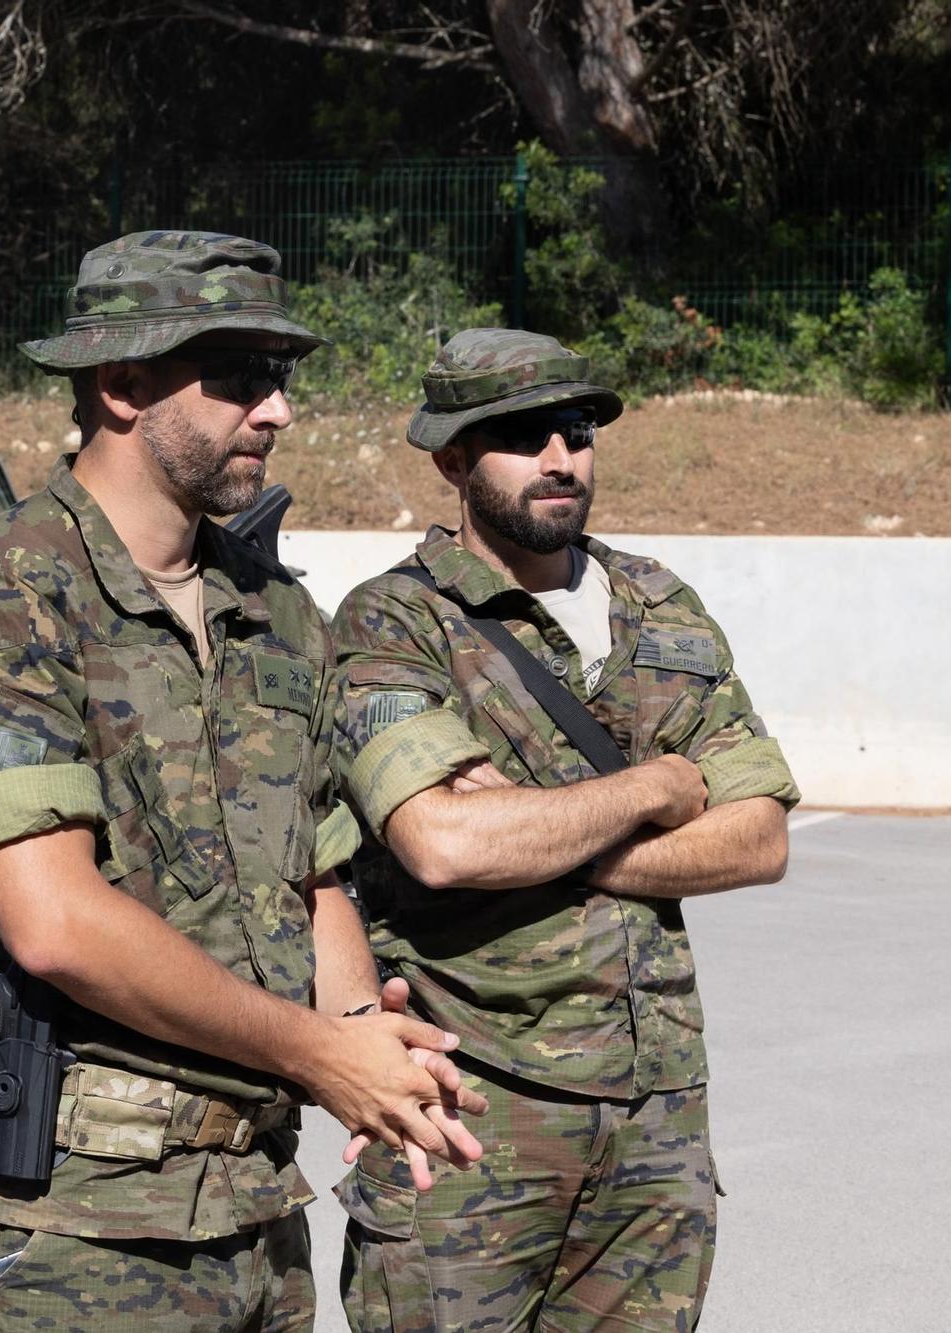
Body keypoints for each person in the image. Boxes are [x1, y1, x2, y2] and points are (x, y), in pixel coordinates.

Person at [0, 231, 487, 1333]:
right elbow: (54, 921)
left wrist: (365, 1036)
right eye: (237, 378)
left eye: (279, 378)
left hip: (254, 1219)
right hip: (70, 1238)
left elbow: (310, 876)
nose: (275, 412)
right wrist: (321, 1055)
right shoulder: (9, 595)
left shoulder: (272, 610)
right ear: (120, 384)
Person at [328, 328, 798, 1332]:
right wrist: (659, 783)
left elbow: (757, 837)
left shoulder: (658, 605)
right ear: (450, 459)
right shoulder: (392, 623)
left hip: (655, 1114)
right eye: (520, 434)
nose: (560, 457)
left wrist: (535, 827)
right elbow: (444, 846)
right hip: (470, 1113)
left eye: (576, 430)